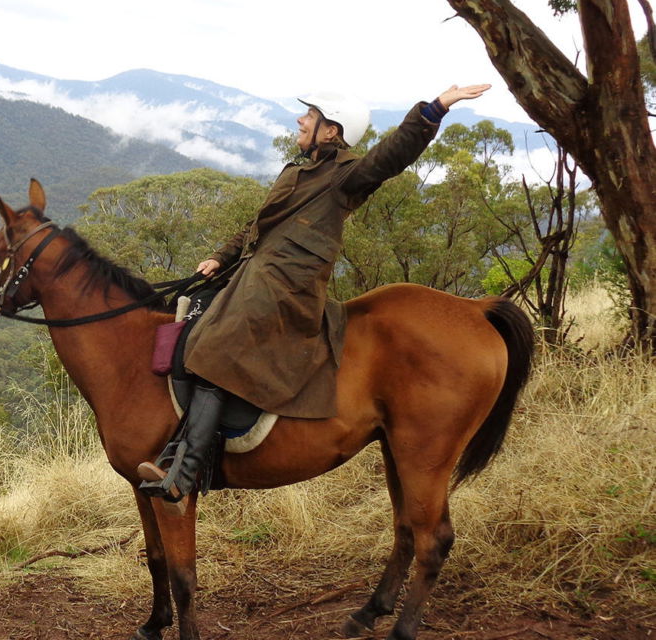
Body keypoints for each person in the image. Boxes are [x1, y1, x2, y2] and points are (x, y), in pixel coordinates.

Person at [138, 84, 492, 504]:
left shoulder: (347, 175)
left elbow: (392, 155)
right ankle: (184, 445)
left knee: (219, 346)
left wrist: (433, 111)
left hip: (288, 289)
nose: (300, 119)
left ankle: (186, 471)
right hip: (254, 278)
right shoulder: (296, 171)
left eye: (310, 115)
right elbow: (258, 226)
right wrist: (220, 257)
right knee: (198, 317)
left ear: (330, 130)